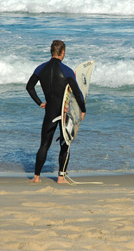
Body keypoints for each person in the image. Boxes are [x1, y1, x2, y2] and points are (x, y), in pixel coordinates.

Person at [26, 40, 86, 183]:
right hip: (65, 113)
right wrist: (82, 110)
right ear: (62, 52)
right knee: (65, 143)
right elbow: (77, 93)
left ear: (51, 52)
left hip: (50, 112)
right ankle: (61, 177)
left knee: (44, 145)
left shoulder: (40, 69)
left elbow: (29, 87)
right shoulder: (67, 71)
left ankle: (36, 177)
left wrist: (40, 102)